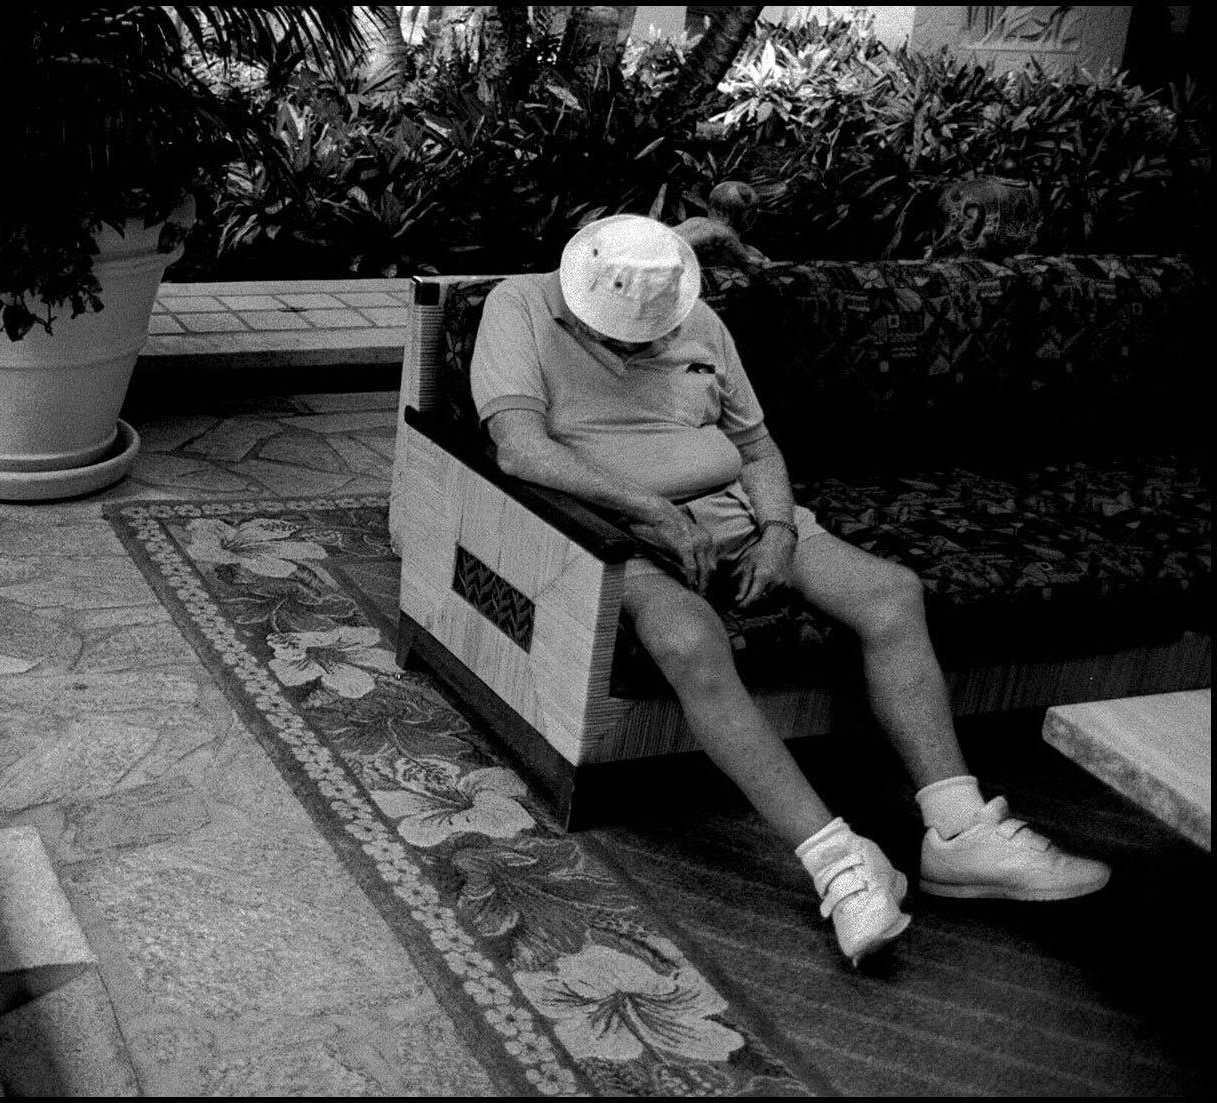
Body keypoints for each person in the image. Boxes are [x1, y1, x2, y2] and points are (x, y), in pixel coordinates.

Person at [469, 214, 1110, 967]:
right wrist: (652, 512)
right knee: (686, 636)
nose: (638, 343)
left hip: (731, 513)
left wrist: (776, 530)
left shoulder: (697, 318)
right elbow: (521, 449)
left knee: (890, 593)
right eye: (623, 332)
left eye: (651, 330)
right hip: (604, 524)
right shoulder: (519, 305)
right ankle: (839, 862)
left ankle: (959, 830)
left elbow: (756, 447)